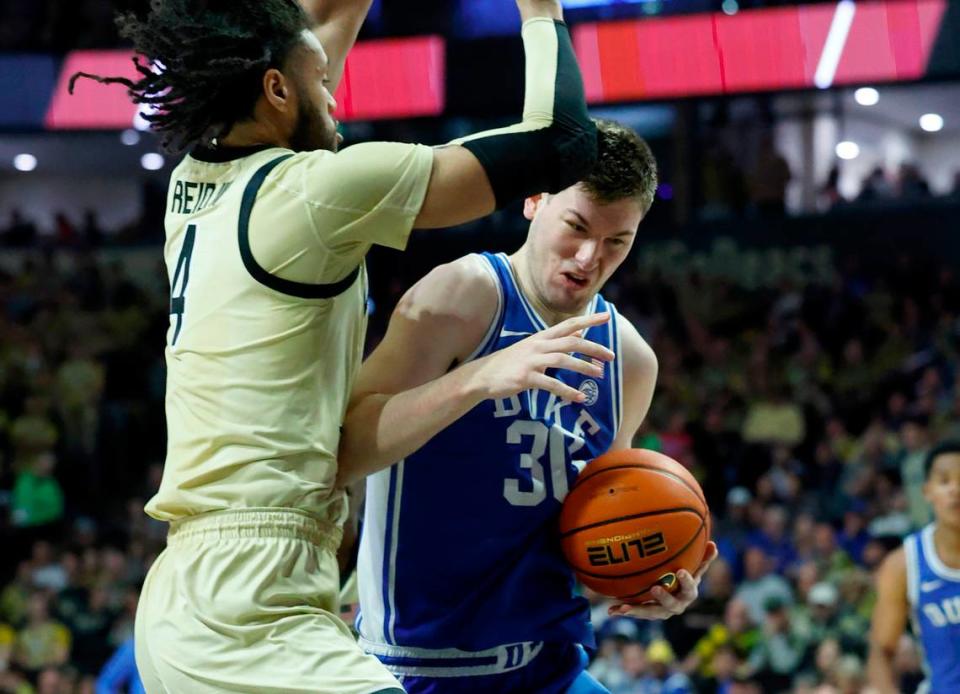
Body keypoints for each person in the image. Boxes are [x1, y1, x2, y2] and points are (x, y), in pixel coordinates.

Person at [71, 0, 599, 691]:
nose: (336, 97)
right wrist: (540, 8)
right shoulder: (313, 194)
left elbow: (301, 42)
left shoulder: (195, 183)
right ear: (276, 90)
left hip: (194, 593)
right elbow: (561, 140)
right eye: (324, 83)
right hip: (249, 603)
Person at [339, 119, 717, 692]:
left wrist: (646, 577)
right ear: (535, 200)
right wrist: (478, 378)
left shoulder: (631, 361)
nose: (590, 257)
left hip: (550, 666)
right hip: (418, 669)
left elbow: (589, 532)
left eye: (618, 241)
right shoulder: (462, 296)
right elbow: (344, 449)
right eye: (576, 226)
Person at [868, 441, 960, 693]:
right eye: (945, 481)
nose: (956, 489)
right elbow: (881, 651)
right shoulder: (903, 565)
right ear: (927, 491)